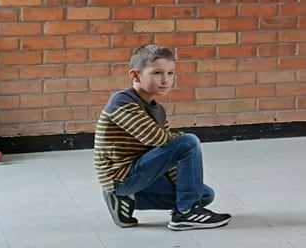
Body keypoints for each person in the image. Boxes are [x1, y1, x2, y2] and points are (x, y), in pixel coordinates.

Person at [92, 44, 231, 231]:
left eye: (170, 73)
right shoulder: (122, 101)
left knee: (203, 194)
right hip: (121, 177)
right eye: (157, 73)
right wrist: (180, 140)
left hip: (140, 175)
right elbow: (154, 138)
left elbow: (168, 154)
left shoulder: (158, 110)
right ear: (135, 75)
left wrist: (186, 188)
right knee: (189, 142)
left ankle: (127, 199)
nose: (166, 80)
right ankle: (186, 213)